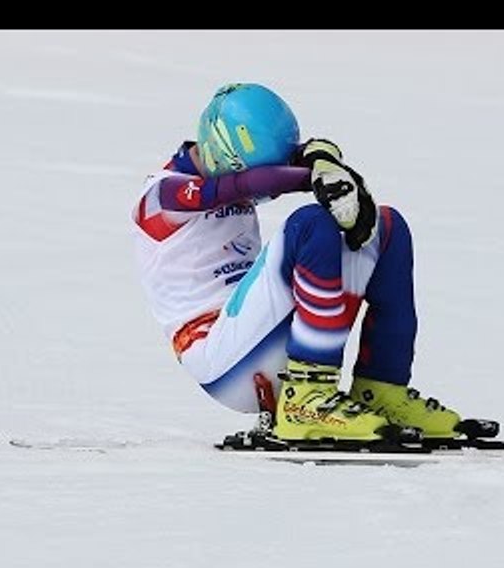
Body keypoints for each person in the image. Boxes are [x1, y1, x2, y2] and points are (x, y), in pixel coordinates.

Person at [132, 83, 461, 443]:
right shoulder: (159, 195)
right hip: (218, 356)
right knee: (309, 224)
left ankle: (381, 390)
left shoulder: (227, 169)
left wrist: (324, 162)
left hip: (263, 333)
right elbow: (243, 184)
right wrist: (313, 177)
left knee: (387, 228)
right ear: (220, 153)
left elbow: (305, 154)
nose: (263, 195)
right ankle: (305, 401)